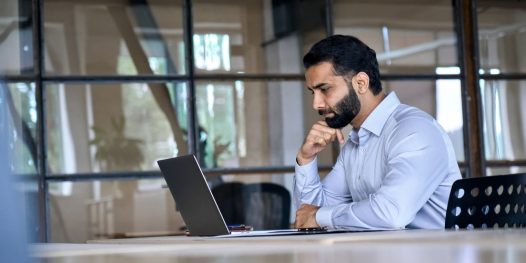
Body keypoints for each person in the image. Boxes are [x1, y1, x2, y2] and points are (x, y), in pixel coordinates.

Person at [293, 35, 461, 230]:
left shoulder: (414, 131)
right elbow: (309, 215)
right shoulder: (355, 144)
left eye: (325, 89)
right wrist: (306, 158)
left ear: (361, 83)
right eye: (313, 92)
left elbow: (391, 214)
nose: (317, 104)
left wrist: (319, 216)